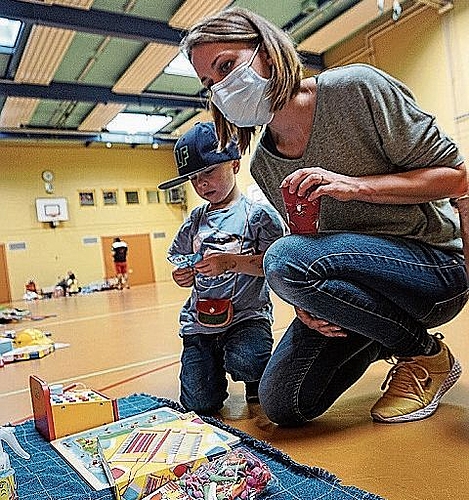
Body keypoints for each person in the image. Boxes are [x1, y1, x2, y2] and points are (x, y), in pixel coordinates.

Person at [181, 7, 469, 425]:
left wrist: (357, 186)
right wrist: (303, 300)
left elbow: (458, 179)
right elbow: (306, 244)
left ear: (268, 50)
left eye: (227, 66)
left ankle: (423, 354)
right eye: (210, 83)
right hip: (358, 287)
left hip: (431, 270)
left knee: (284, 257)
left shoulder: (356, 89)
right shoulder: (264, 163)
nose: (222, 88)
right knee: (283, 403)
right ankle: (379, 331)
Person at [158, 121, 285, 415]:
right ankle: (211, 368)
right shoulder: (193, 221)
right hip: (201, 321)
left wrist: (230, 262)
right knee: (199, 405)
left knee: (247, 360)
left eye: (209, 172)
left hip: (246, 317)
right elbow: (180, 262)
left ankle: (256, 374)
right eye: (194, 179)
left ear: (235, 165)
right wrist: (183, 276)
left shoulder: (257, 215)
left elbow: (274, 265)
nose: (202, 184)